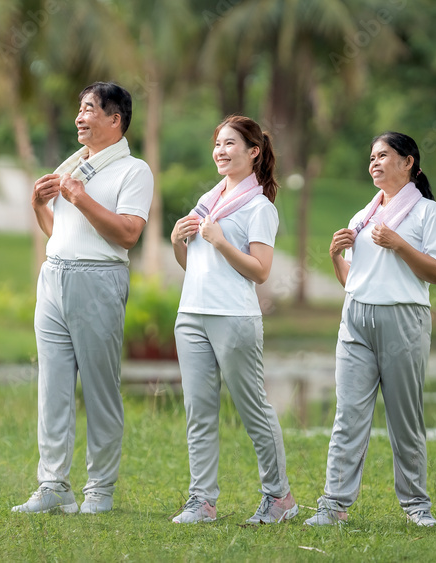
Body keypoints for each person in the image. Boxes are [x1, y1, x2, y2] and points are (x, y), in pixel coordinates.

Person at [12, 82, 154, 515]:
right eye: (79, 107)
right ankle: (53, 485)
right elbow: (65, 235)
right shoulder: (73, 168)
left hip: (99, 280)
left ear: (115, 119)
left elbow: (128, 234)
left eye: (89, 109)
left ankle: (100, 490)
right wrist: (41, 206)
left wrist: (80, 197)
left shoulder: (134, 171)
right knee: (52, 387)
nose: (79, 116)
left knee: (99, 388)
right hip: (54, 277)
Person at [304, 132, 436, 527]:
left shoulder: (427, 214)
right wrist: (336, 256)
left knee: (405, 417)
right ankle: (333, 506)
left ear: (409, 162)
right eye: (371, 157)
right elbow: (354, 279)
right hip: (355, 319)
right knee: (348, 415)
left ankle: (417, 506)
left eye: (383, 155)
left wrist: (400, 244)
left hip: (403, 319)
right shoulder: (362, 217)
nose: (374, 162)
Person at [168, 116, 297, 524]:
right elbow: (191, 264)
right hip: (191, 315)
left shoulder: (259, 208)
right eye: (217, 144)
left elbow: (260, 271)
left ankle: (280, 499)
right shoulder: (207, 203)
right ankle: (202, 501)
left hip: (234, 318)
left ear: (253, 151)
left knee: (253, 407)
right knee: (199, 410)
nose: (220, 151)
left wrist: (221, 241)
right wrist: (176, 240)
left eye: (230, 144)